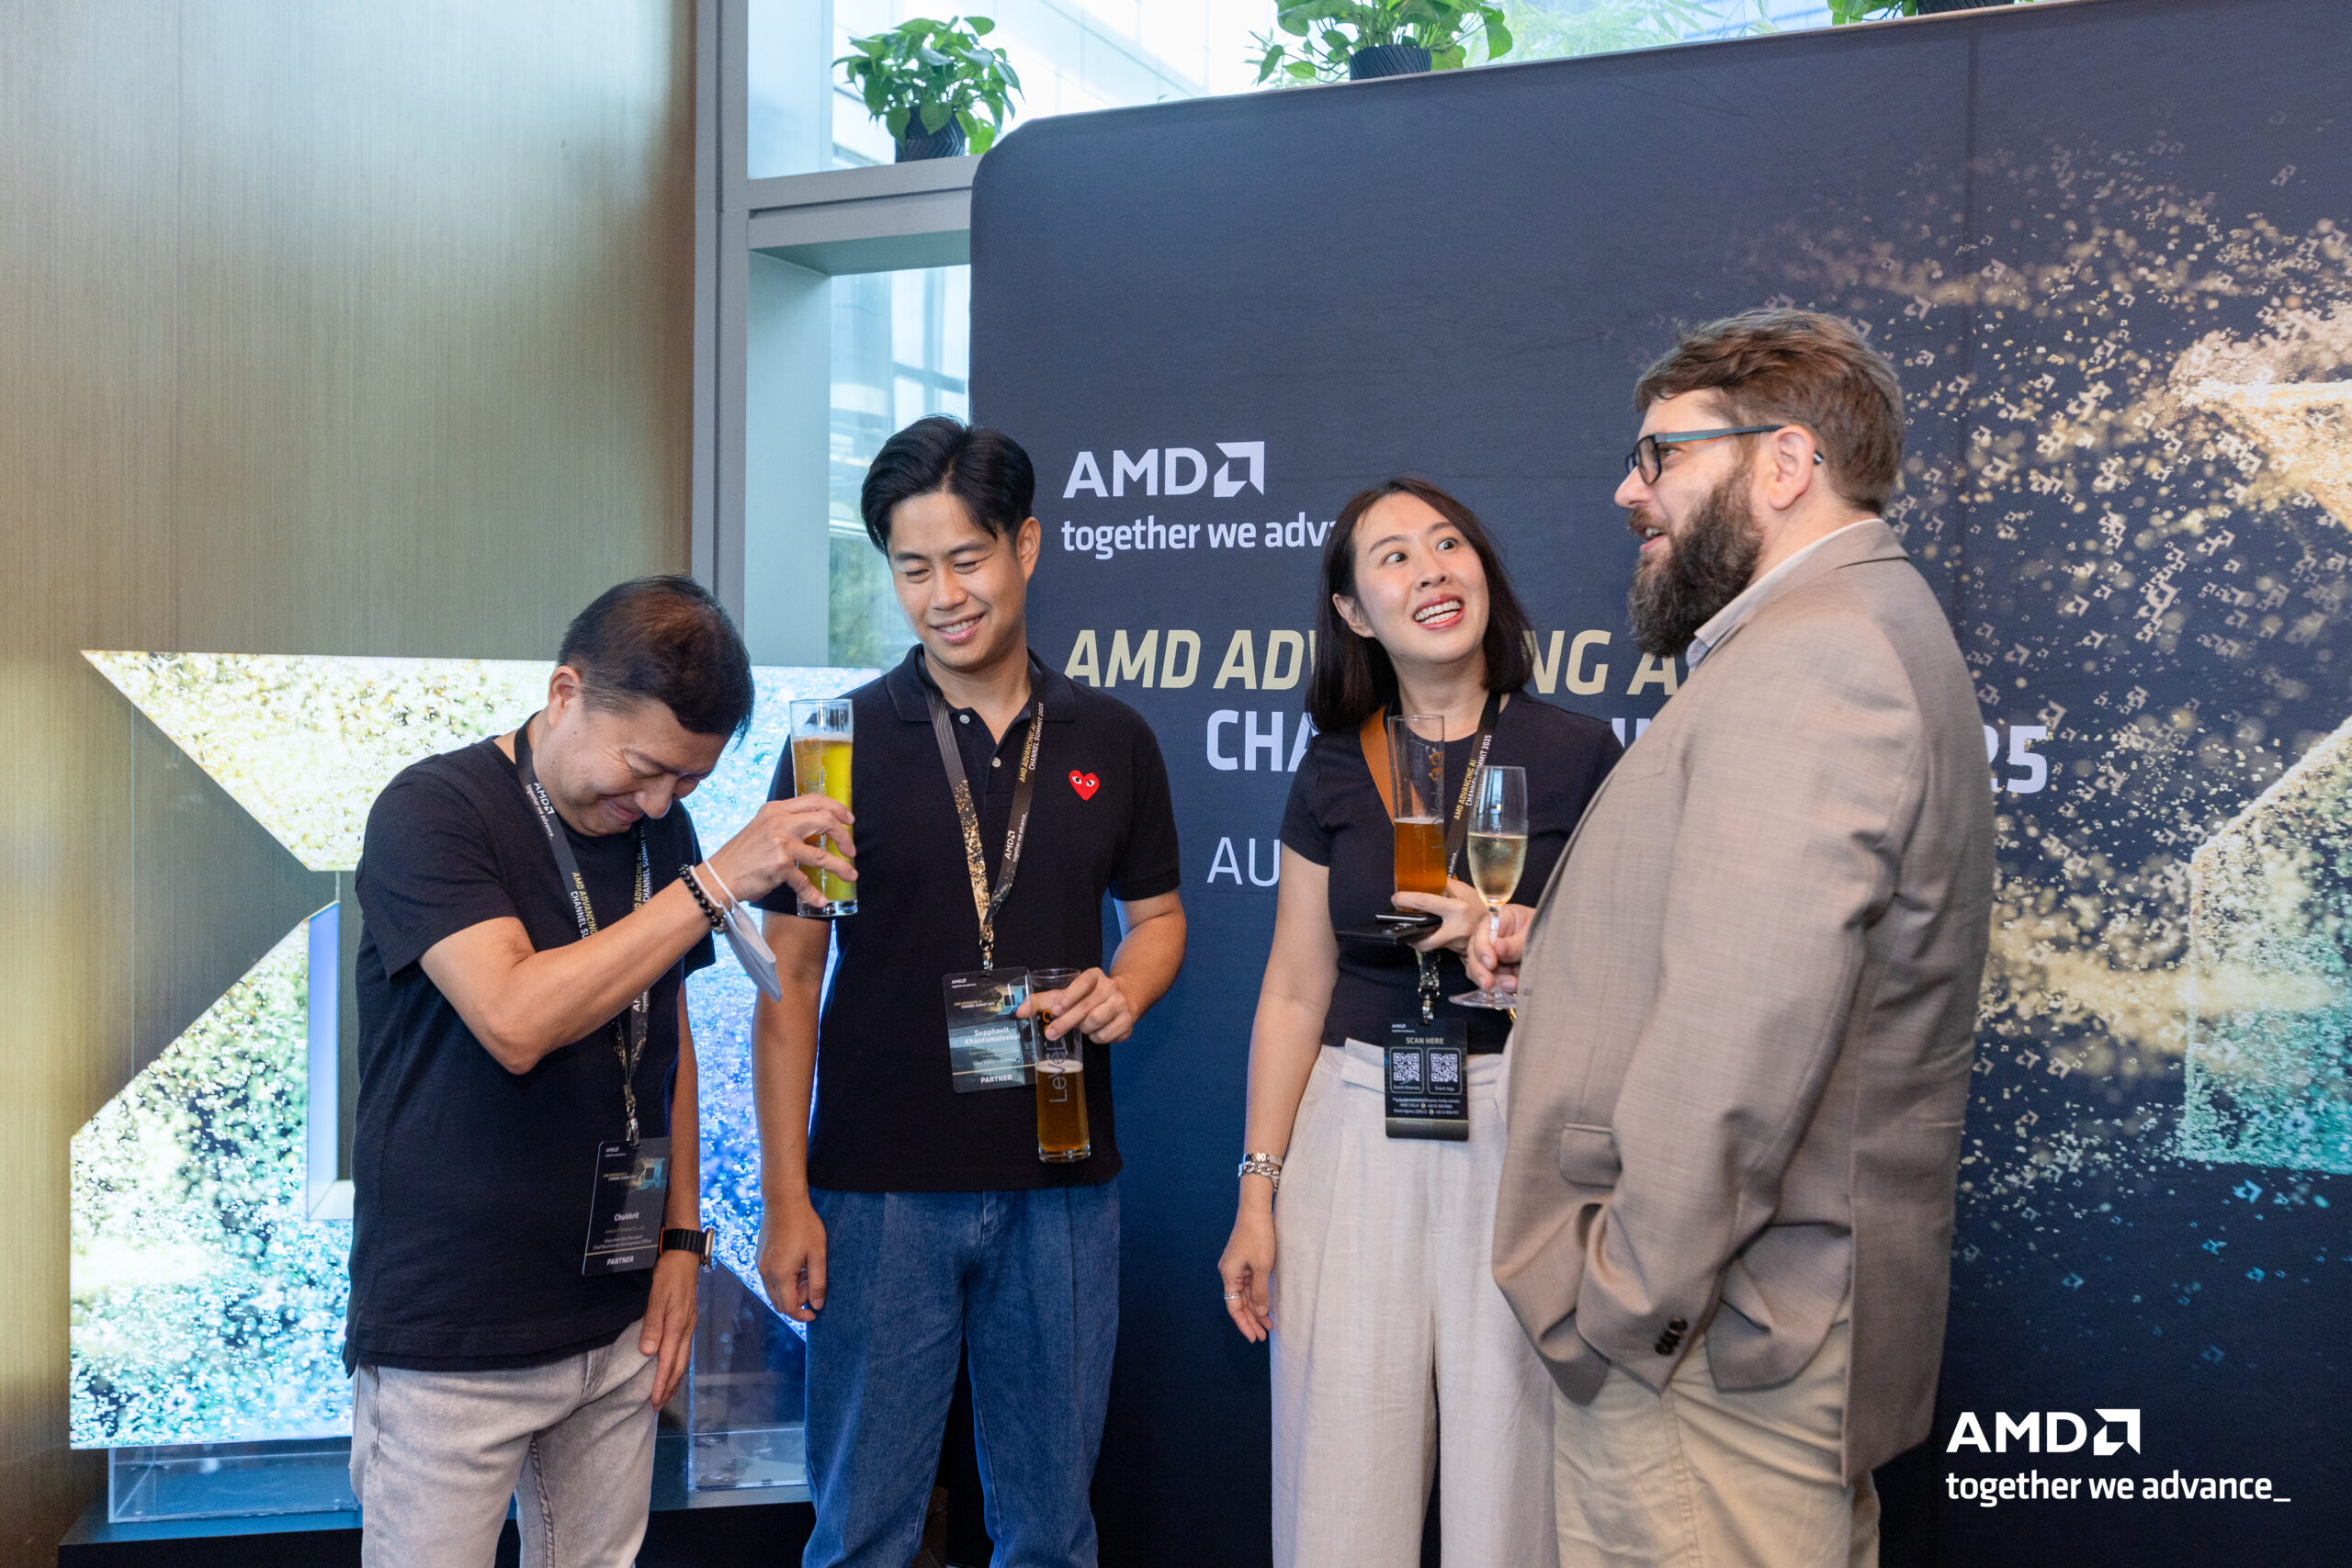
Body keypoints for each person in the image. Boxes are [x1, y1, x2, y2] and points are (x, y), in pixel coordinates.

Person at [1473, 309, 1996, 1568]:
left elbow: (1743, 1041)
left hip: (1710, 1356)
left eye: (1661, 455)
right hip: (1753, 1333)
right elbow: (1777, 958)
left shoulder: (1818, 659)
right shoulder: (1851, 628)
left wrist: (1625, 1302)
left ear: (1785, 461)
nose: (1629, 489)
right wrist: (1577, 950)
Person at [345, 576, 855, 1567]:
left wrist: (683, 1242)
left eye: (688, 785)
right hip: (456, 1331)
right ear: (566, 691)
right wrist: (713, 884)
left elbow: (668, 1036)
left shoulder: (659, 832)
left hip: (620, 1317)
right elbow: (515, 1018)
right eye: (644, 767)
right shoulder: (433, 810)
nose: (657, 802)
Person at [751, 416, 1187, 1568]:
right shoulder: (835, 743)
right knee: (862, 1529)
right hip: (877, 1193)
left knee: (1051, 1531)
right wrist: (786, 1198)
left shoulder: (1113, 738)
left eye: (966, 559)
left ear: (1024, 546)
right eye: (912, 568)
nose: (943, 596)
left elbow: (1158, 922)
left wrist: (1127, 990)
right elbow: (788, 981)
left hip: (1062, 1184)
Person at [1215, 476, 1620, 1567]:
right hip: (1353, 1128)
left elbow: (1631, 969)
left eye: (1448, 545)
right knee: (1340, 1495)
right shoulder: (1333, 762)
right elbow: (1293, 988)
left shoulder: (1580, 751)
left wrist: (1525, 938)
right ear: (1353, 610)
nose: (1431, 571)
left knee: (1514, 1502)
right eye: (1393, 557)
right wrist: (1257, 1194)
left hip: (1520, 1130)